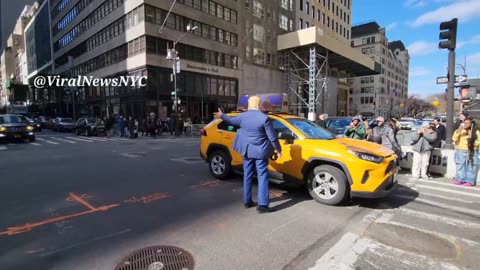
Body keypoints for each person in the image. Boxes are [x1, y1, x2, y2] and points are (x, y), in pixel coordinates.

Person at [215, 96, 282, 213]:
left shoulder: (242, 116)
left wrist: (222, 115)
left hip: (246, 151)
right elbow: (272, 137)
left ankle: (247, 201)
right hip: (260, 152)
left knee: (247, 175)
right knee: (262, 176)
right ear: (259, 104)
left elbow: (230, 120)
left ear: (249, 104)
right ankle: (262, 205)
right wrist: (278, 150)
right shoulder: (264, 118)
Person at [452, 117, 480, 187]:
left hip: (471, 150)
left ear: (471, 124)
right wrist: (459, 130)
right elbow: (454, 138)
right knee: (460, 165)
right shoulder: (460, 130)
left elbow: (478, 141)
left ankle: (470, 181)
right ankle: (460, 179)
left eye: (467, 123)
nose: (465, 124)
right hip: (460, 150)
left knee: (471, 166)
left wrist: (472, 143)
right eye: (464, 123)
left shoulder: (476, 131)